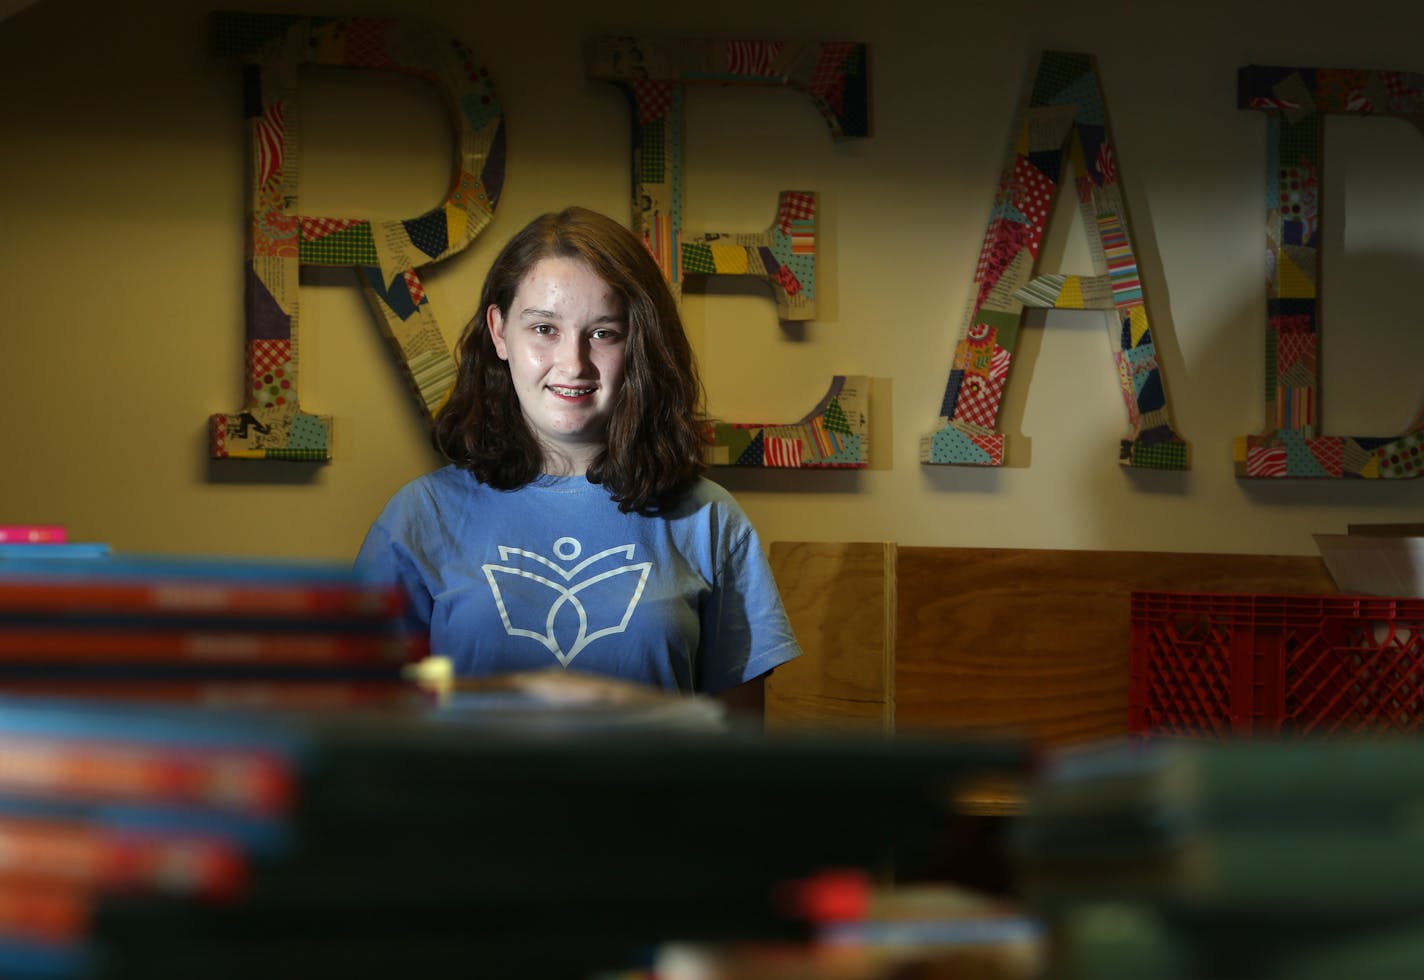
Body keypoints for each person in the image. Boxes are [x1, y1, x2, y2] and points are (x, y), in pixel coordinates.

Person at [355, 206, 801, 719]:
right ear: (500, 333)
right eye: (544, 328)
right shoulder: (418, 518)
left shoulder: (708, 521)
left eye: (604, 333)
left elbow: (738, 748)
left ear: (640, 341)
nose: (574, 363)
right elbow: (375, 713)